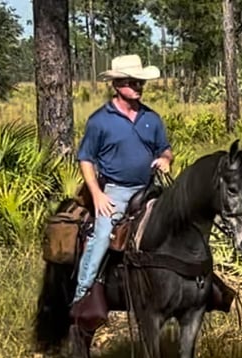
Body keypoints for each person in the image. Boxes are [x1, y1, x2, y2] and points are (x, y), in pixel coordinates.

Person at [72, 54, 174, 307]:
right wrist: (97, 194)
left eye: (140, 82)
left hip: (150, 189)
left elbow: (165, 148)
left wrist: (166, 159)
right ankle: (81, 295)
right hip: (115, 191)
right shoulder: (100, 120)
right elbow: (86, 159)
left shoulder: (152, 118)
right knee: (102, 235)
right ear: (116, 85)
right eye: (131, 82)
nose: (138, 86)